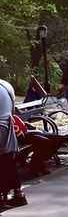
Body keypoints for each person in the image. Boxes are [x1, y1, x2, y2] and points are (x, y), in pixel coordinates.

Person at [0, 77, 27, 208]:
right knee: (8, 161)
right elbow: (12, 113)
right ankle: (18, 194)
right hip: (7, 129)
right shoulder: (5, 86)